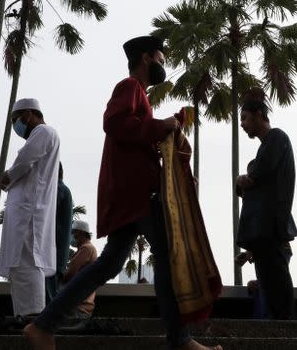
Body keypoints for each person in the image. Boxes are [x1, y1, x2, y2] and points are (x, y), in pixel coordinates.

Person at [25, 35, 221, 350]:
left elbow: (134, 135)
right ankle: (179, 340)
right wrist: (163, 126)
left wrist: (166, 138)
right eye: (159, 56)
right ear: (146, 58)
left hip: (127, 195)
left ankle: (43, 325)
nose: (162, 62)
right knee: (167, 262)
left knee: (109, 264)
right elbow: (114, 123)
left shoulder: (140, 96)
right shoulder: (130, 88)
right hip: (138, 195)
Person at [0, 98, 61, 318]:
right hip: (24, 213)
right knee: (19, 266)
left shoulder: (44, 132)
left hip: (29, 214)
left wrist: (8, 175)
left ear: (29, 114)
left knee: (28, 262)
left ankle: (33, 317)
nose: (16, 126)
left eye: (17, 120)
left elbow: (25, 159)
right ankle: (24, 316)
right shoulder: (40, 135)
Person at [237, 89, 297, 320]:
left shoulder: (276, 138)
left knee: (276, 283)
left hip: (271, 225)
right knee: (269, 284)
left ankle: (285, 331)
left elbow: (256, 176)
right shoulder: (267, 145)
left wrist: (243, 178)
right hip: (262, 230)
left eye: (245, 118)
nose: (243, 125)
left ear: (259, 114)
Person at [46, 163, 74, 305]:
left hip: (52, 253)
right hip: (59, 254)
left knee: (49, 297)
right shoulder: (64, 190)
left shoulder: (57, 189)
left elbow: (46, 217)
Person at [62, 220, 97, 320]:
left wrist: (58, 279)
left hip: (79, 306)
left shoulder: (86, 248)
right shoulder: (88, 248)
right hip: (81, 304)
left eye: (74, 232)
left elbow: (71, 273)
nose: (72, 236)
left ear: (82, 233)